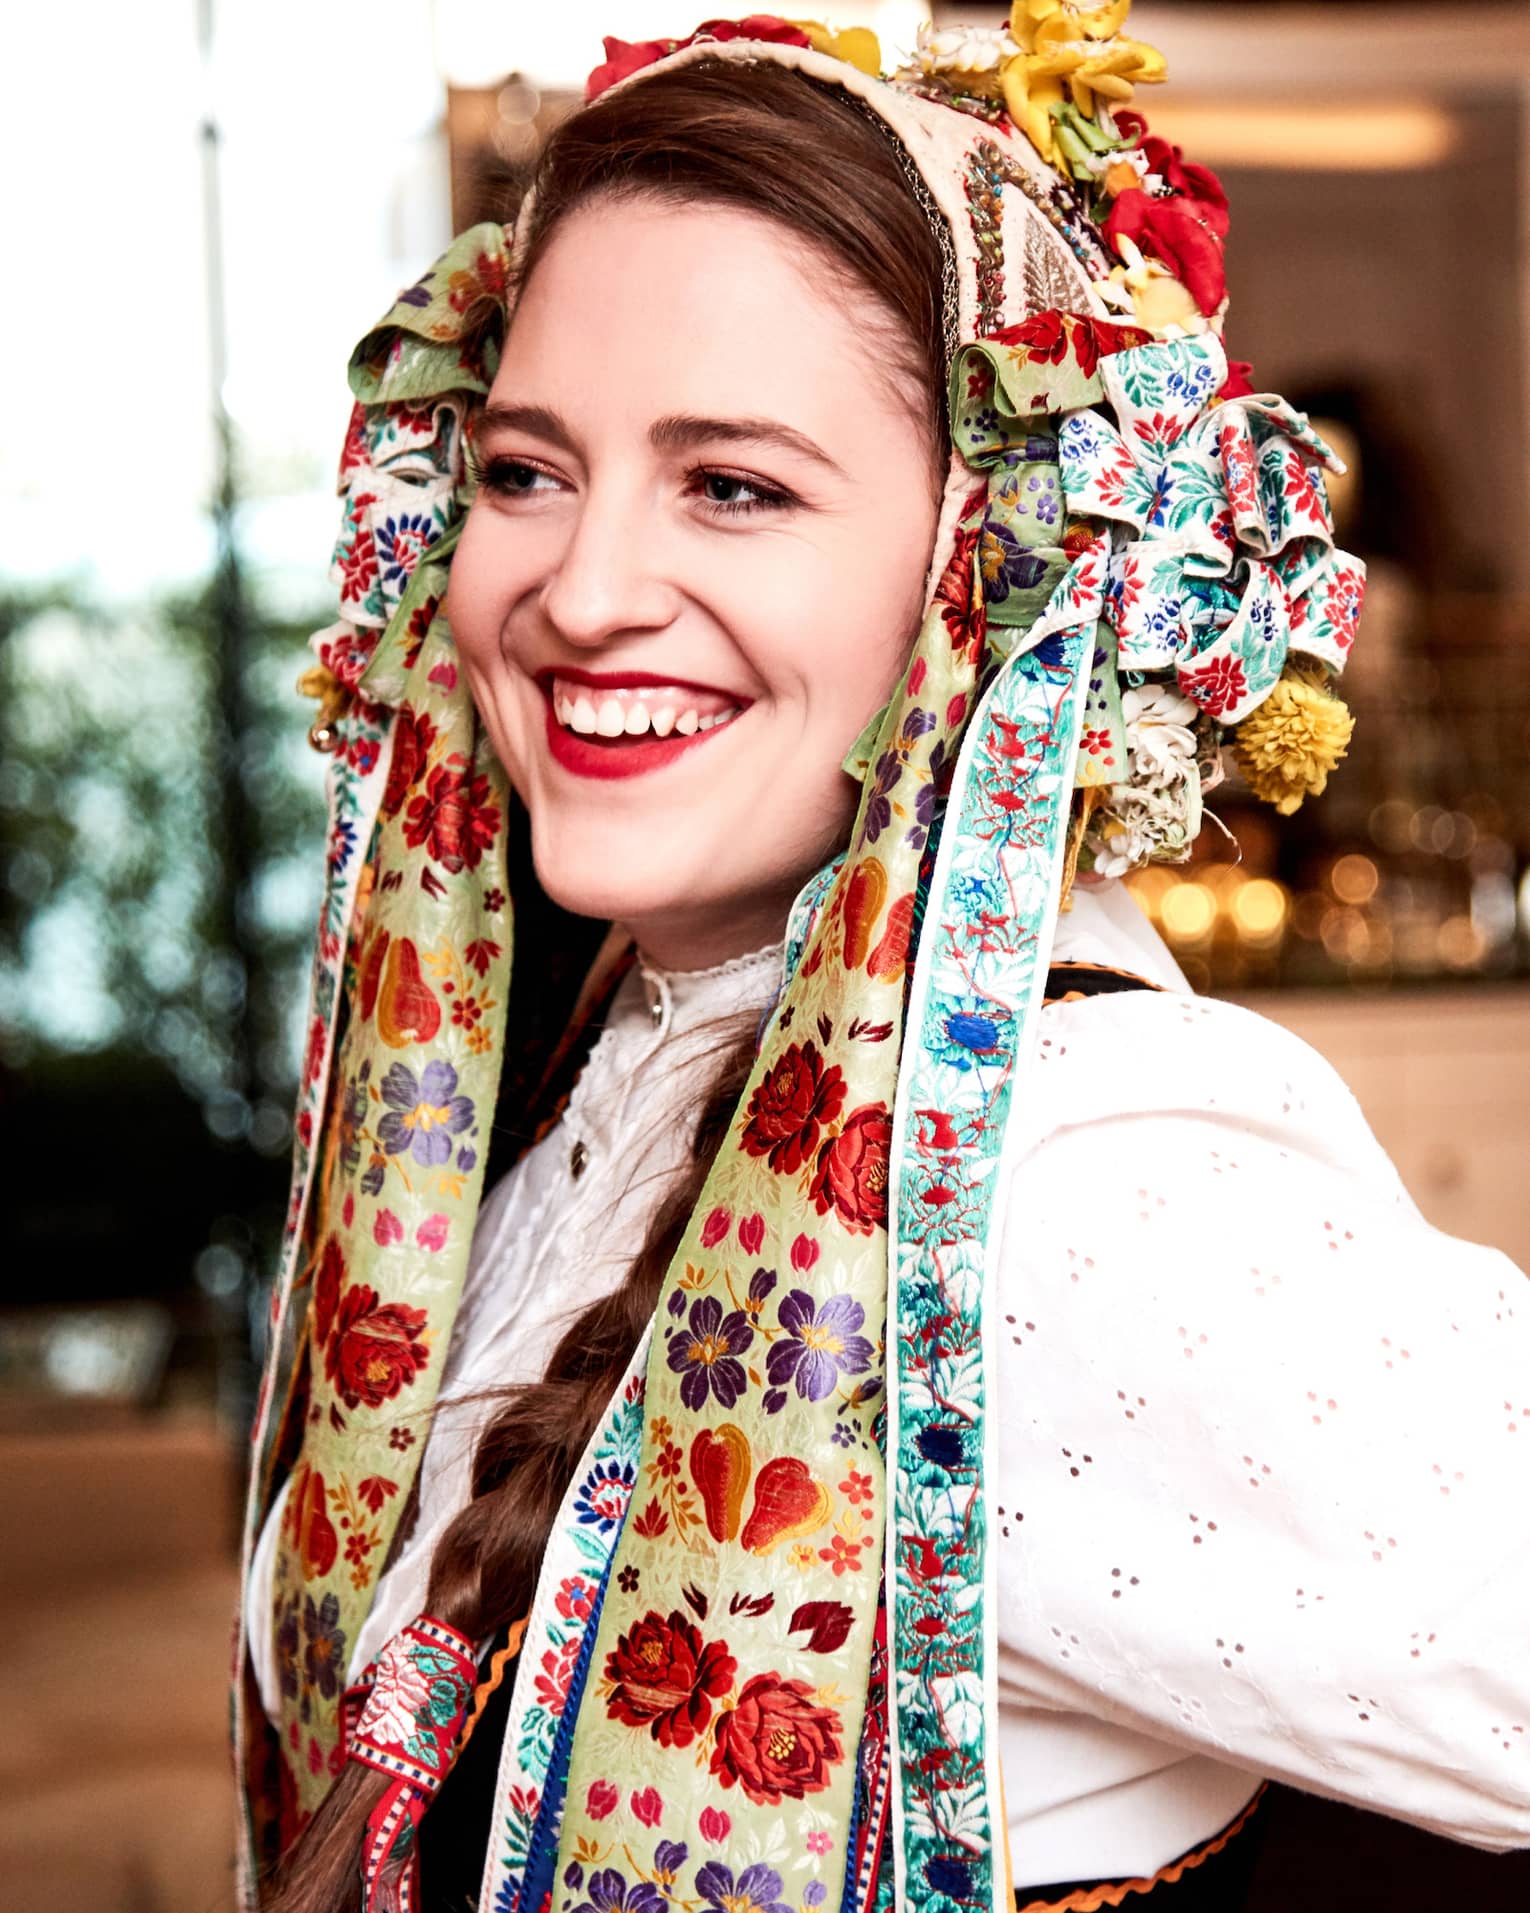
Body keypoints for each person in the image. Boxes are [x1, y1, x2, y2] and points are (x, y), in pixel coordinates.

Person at [235, 12, 1530, 1912]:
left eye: (732, 484)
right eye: (526, 468)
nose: (580, 588)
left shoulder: (1081, 1202)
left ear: (984, 567)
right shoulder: (603, 1051)